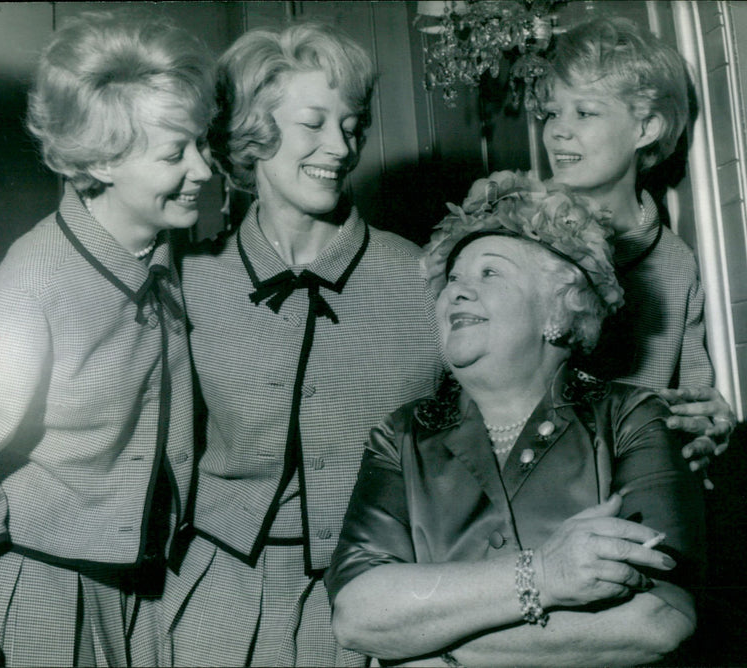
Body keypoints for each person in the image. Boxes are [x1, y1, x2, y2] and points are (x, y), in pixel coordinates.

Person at [326, 171, 706, 667]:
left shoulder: (632, 419)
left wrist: (432, 646)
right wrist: (544, 574)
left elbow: (657, 620)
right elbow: (357, 615)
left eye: (490, 273)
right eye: (453, 280)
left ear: (558, 312)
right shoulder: (402, 435)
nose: (457, 293)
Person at [160, 22, 443, 668]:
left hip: (375, 602)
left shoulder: (424, 278)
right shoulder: (190, 279)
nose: (340, 148)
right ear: (254, 131)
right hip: (213, 606)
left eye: (351, 125)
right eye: (313, 123)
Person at [0, 12, 217, 667]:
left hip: (142, 589)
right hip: (44, 593)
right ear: (103, 160)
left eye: (202, 145)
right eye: (175, 153)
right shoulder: (28, 288)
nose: (204, 170)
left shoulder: (162, 258)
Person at [536, 16, 735, 474]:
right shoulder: (508, 238)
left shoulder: (675, 263)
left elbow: (693, 401)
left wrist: (706, 426)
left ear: (646, 129)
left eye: (583, 112)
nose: (556, 131)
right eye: (551, 112)